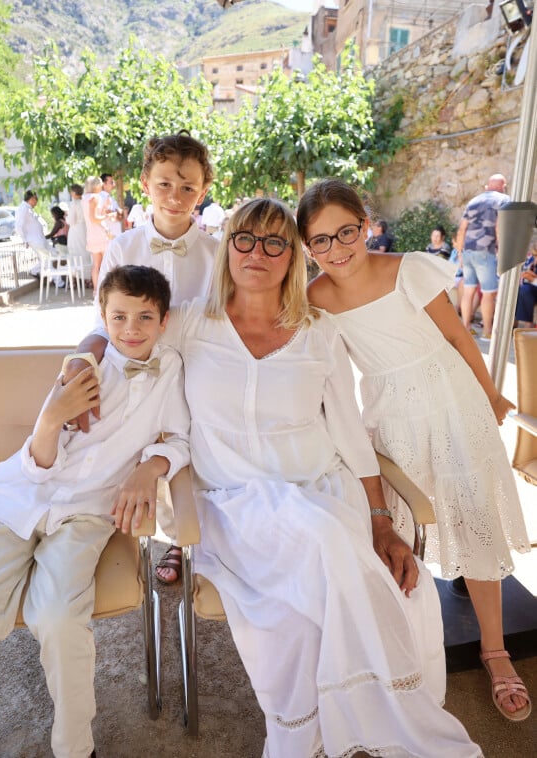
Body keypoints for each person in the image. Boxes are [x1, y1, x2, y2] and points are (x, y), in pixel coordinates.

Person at [114, 197, 482, 757]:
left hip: (322, 490)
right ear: (227, 245)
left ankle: (369, 727)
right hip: (234, 505)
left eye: (274, 242)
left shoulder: (318, 332)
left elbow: (352, 436)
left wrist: (382, 523)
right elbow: (120, 340)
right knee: (331, 551)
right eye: (244, 238)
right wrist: (78, 367)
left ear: (293, 259)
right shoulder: (188, 321)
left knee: (400, 590)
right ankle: (369, 729)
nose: (256, 253)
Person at [297, 178, 532, 723]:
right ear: (308, 249)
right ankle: (409, 654)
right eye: (321, 241)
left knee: (473, 518)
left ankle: (495, 651)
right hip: (388, 414)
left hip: (450, 398)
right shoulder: (316, 297)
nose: (337, 249)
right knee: (402, 530)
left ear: (366, 223)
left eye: (346, 232)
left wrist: (492, 393)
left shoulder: (406, 269)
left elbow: (457, 337)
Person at [0, 265, 190, 758]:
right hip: (18, 498)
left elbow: (182, 436)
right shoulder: (83, 367)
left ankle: (75, 747)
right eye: (119, 316)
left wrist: (151, 466)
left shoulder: (170, 369)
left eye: (145, 317)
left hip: (88, 511)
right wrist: (51, 416)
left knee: (61, 616)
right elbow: (40, 461)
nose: (131, 329)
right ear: (103, 317)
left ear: (164, 320)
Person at [62, 131, 217, 585]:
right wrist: (80, 359)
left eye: (188, 187)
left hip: (192, 369)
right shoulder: (123, 248)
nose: (176, 196)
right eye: (165, 183)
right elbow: (100, 322)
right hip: (132, 368)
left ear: (203, 192)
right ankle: (107, 520)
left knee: (191, 447)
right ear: (146, 183)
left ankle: (182, 537)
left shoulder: (215, 253)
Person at [456, 174, 510, 341]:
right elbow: (499, 227)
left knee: (468, 291)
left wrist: (459, 253)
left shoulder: (474, 201)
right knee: (488, 293)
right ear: (503, 185)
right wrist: (502, 252)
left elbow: (462, 229)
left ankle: (466, 327)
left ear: (488, 185)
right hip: (486, 251)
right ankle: (487, 332)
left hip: (468, 251)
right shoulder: (504, 199)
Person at [82, 175, 110, 293]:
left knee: (96, 265)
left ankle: (96, 290)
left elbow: (91, 217)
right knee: (106, 264)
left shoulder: (84, 198)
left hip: (91, 235)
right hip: (100, 234)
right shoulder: (94, 198)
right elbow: (95, 218)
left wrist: (104, 208)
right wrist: (106, 216)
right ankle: (104, 290)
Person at [67, 183, 92, 286]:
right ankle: (87, 278)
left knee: (75, 253)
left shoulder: (74, 204)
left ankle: (76, 279)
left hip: (76, 230)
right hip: (85, 229)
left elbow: (71, 220)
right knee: (85, 253)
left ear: (73, 192)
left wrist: (66, 218)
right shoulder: (85, 202)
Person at [514, 244, 537, 328]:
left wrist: (533, 279)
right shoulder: (531, 259)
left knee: (525, 290)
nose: (535, 259)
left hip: (531, 289)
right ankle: (513, 322)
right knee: (517, 290)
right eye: (534, 255)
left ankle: (528, 325)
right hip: (531, 288)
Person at [100, 173, 123, 239]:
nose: (113, 184)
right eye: (111, 182)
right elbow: (105, 213)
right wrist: (115, 213)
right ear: (104, 184)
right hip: (108, 236)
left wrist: (118, 213)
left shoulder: (111, 198)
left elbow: (119, 214)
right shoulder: (100, 198)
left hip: (115, 235)